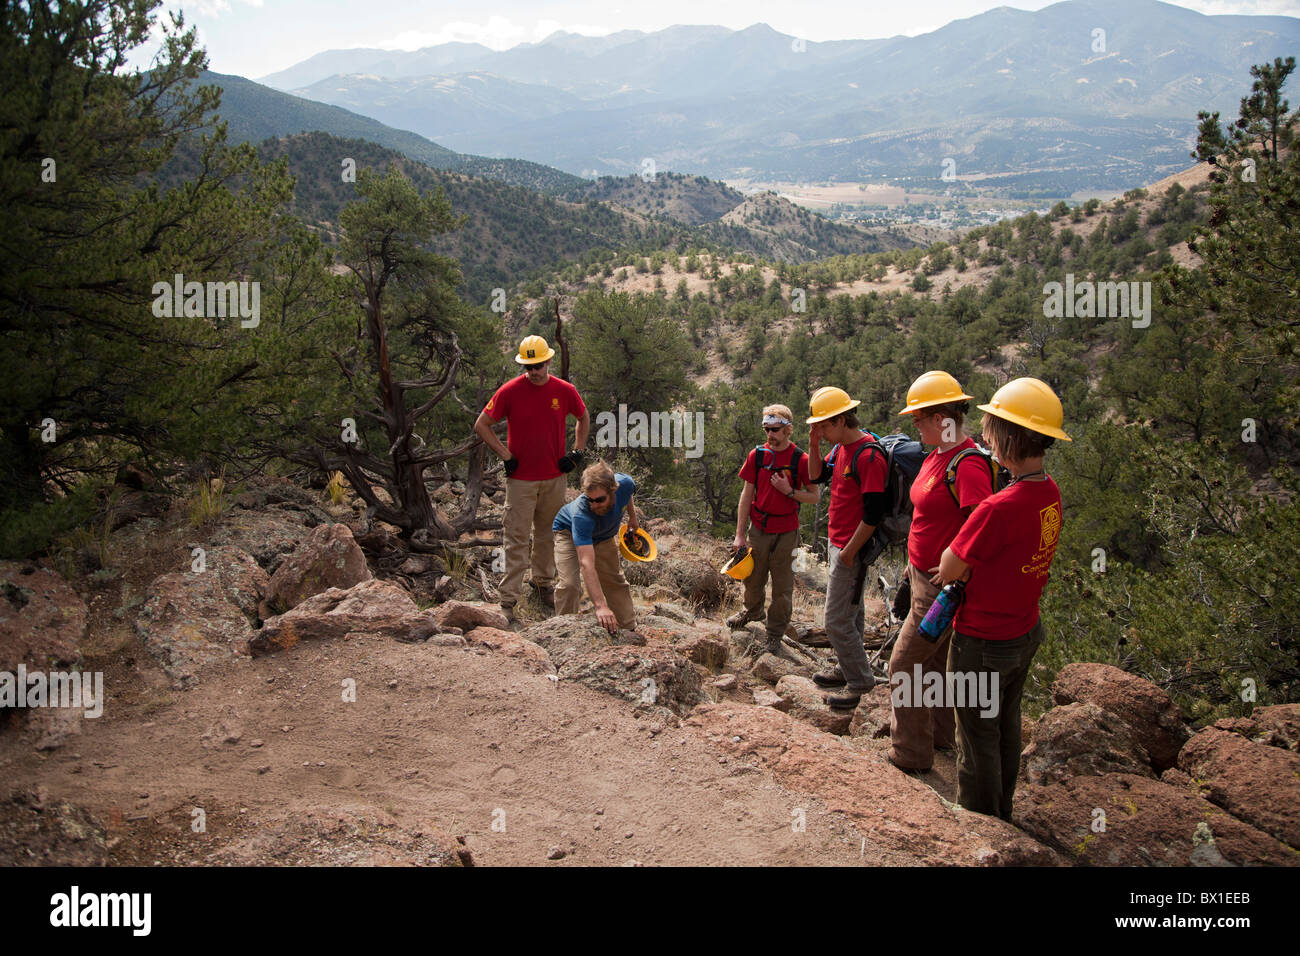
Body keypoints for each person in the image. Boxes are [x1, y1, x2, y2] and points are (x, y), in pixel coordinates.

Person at [936, 377, 1070, 820]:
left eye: (993, 429)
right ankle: (1003, 810)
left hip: (982, 639)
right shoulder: (1049, 493)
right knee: (1004, 727)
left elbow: (950, 566)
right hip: (1023, 631)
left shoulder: (999, 507)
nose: (987, 437)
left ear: (1007, 437)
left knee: (975, 738)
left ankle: (979, 825)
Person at [888, 371, 995, 772]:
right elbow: (925, 517)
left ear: (942, 418)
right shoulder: (937, 455)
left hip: (940, 589)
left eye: (919, 417)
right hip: (921, 576)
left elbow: (981, 528)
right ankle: (940, 737)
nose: (914, 424)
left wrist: (955, 568)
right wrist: (909, 567)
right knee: (932, 664)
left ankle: (910, 753)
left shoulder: (968, 465)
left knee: (903, 664)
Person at [474, 335, 589, 619]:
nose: (533, 371)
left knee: (548, 536)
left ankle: (543, 585)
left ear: (548, 361)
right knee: (516, 538)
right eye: (528, 366)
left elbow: (583, 417)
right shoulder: (510, 391)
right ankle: (508, 601)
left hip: (553, 478)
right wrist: (506, 456)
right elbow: (482, 424)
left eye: (538, 365)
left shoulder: (564, 390)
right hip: (521, 480)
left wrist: (576, 452)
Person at [805, 386, 889, 710]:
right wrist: (813, 444)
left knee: (835, 621)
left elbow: (873, 515)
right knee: (852, 615)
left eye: (824, 426)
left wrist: (850, 552)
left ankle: (859, 683)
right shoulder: (842, 448)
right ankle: (849, 666)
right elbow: (818, 475)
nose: (821, 432)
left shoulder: (867, 455)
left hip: (850, 548)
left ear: (842, 420)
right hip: (840, 542)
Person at [727, 405, 819, 653]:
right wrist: (739, 534)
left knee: (782, 587)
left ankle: (775, 634)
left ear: (788, 429)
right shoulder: (757, 456)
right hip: (759, 527)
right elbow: (746, 496)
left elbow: (815, 496)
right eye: (767, 429)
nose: (770, 434)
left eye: (775, 429)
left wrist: (789, 492)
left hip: (787, 532)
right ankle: (752, 611)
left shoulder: (800, 459)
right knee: (753, 579)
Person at [552, 461, 638, 633]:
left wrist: (632, 517)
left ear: (613, 489)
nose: (594, 505)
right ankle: (564, 631)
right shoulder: (582, 514)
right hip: (568, 533)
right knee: (570, 585)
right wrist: (600, 606)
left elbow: (627, 494)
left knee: (614, 580)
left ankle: (628, 628)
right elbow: (586, 564)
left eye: (600, 500)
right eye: (590, 500)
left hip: (604, 536)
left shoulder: (625, 483)